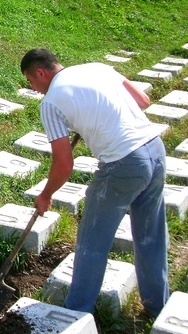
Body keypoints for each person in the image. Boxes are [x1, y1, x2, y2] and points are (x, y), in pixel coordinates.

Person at [20, 48, 169, 317]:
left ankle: (76, 313)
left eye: (31, 82)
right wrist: (95, 112)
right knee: (151, 236)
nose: (35, 90)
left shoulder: (51, 102)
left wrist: (46, 194)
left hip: (122, 165)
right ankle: (157, 308)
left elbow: (64, 164)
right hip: (155, 150)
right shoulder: (97, 68)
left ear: (40, 73)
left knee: (92, 242)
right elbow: (143, 101)